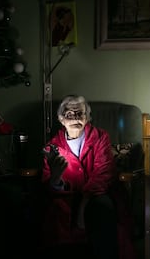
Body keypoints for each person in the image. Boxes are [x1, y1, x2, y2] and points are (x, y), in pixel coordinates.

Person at [41, 95, 136, 259]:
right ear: (61, 119)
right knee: (52, 215)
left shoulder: (100, 137)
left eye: (80, 113)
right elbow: (48, 183)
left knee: (101, 209)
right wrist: (55, 180)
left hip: (97, 194)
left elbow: (103, 173)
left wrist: (84, 202)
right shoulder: (52, 147)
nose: (75, 118)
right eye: (70, 114)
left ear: (88, 117)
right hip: (66, 198)